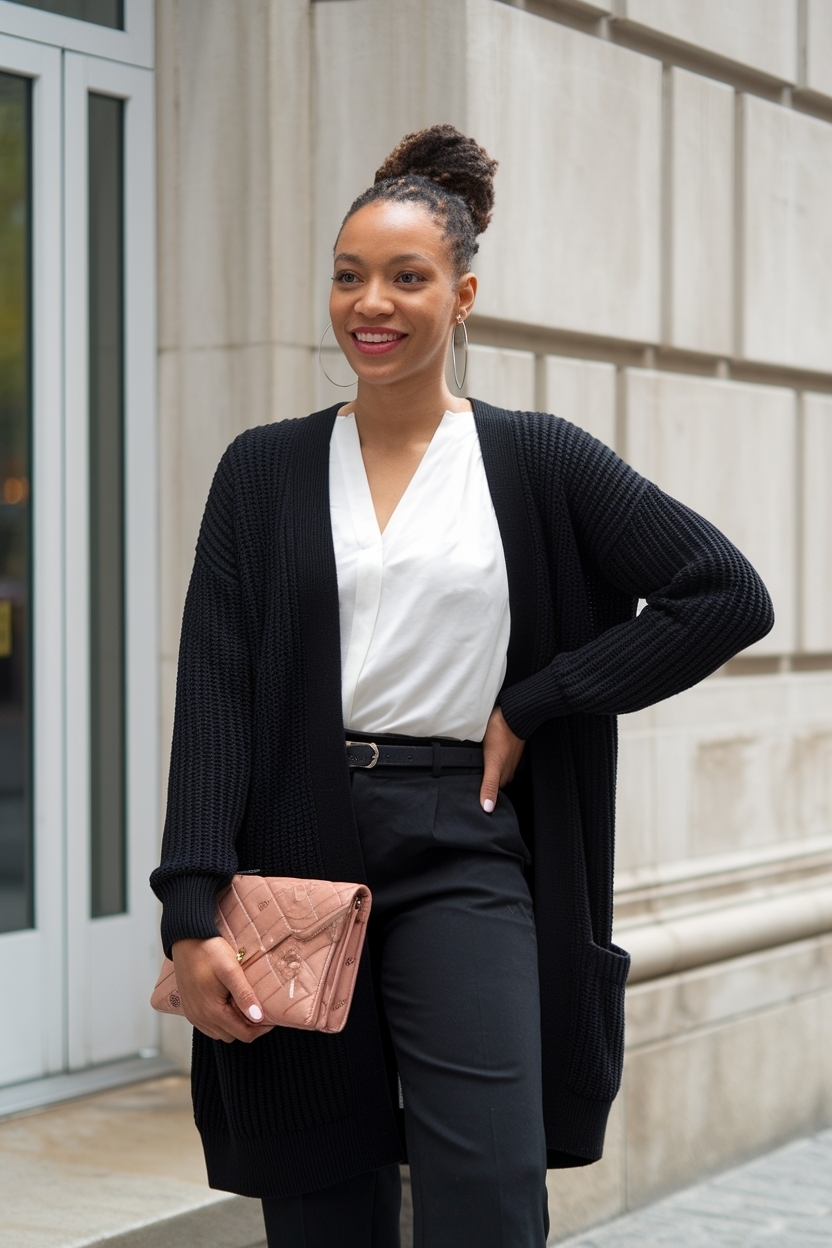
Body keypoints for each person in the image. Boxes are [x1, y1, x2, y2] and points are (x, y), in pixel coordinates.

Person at [150, 125, 773, 1248]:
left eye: (406, 277)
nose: (369, 304)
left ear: (463, 294)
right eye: (348, 275)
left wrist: (541, 699)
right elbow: (216, 693)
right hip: (293, 850)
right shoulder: (261, 469)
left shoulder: (537, 460)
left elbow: (725, 593)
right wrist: (191, 913)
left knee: (488, 1189)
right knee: (321, 1200)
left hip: (462, 835)